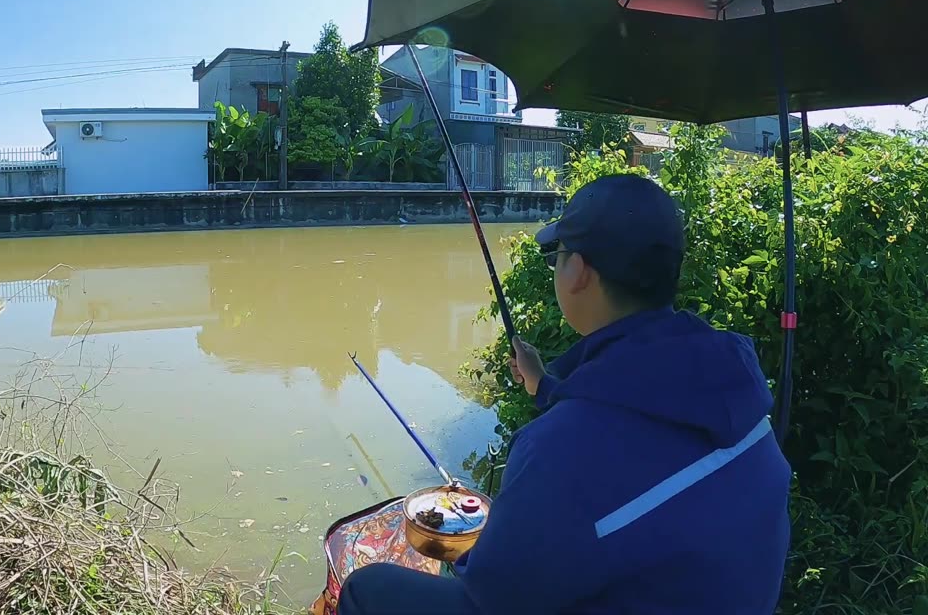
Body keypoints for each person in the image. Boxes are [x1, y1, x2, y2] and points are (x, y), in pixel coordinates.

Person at [339, 173, 791, 614]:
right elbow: (642, 430)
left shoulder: (558, 449)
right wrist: (544, 387)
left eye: (558, 254)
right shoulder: (735, 388)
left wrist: (465, 549)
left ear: (577, 271)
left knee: (368, 589)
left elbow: (496, 595)